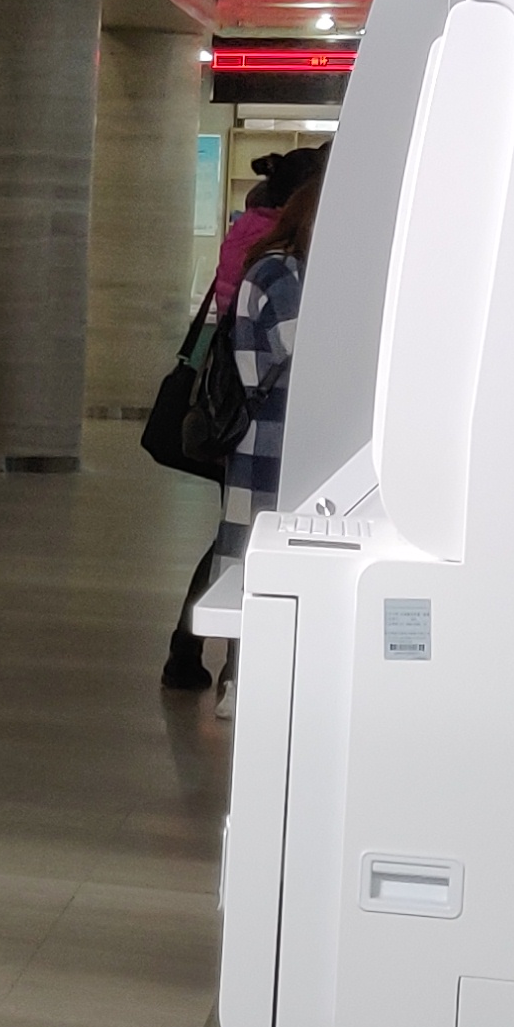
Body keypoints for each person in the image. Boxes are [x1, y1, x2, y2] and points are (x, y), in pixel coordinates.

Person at [164, 145, 319, 690]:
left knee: (241, 547)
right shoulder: (282, 273)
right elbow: (305, 348)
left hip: (257, 434)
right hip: (265, 437)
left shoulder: (261, 254)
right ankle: (235, 673)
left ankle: (221, 665)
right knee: (249, 552)